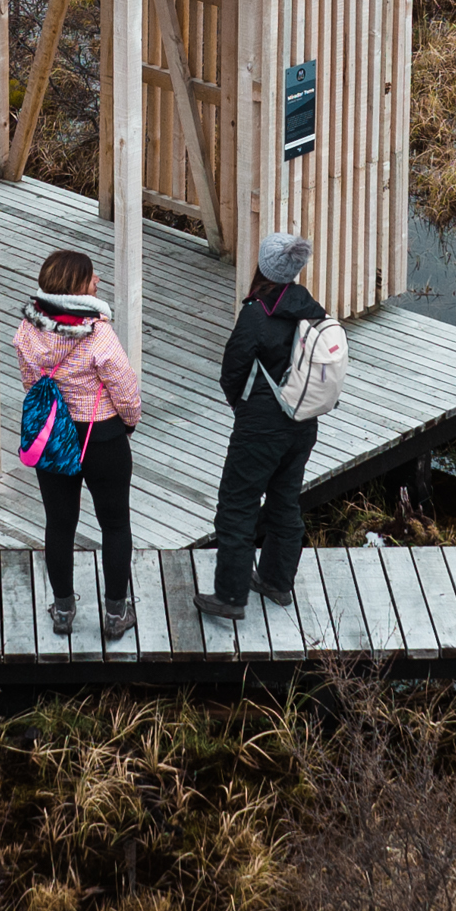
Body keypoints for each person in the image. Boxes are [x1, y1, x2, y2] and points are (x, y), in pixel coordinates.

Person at [13, 248, 141, 640]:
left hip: (54, 437)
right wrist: (129, 422)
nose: (97, 280)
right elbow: (125, 388)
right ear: (75, 288)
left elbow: (30, 383)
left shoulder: (27, 330)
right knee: (115, 523)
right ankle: (116, 613)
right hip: (101, 436)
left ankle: (64, 609)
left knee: (60, 524)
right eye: (90, 277)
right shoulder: (98, 333)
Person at [199, 232, 328, 620]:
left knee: (237, 506)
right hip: (304, 422)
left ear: (263, 267)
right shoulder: (312, 309)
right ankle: (275, 582)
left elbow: (232, 371)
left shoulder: (256, 315)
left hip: (261, 428)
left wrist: (243, 408)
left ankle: (231, 597)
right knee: (285, 501)